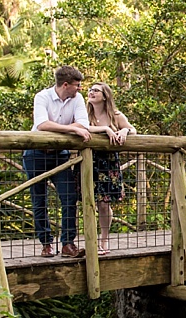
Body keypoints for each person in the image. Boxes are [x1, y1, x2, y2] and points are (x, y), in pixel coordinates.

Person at [23, 65, 91, 258]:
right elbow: (42, 124)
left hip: (60, 154)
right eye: (77, 85)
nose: (80, 89)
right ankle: (46, 243)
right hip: (36, 153)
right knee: (39, 200)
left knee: (69, 196)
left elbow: (83, 123)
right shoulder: (42, 97)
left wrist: (71, 128)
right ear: (66, 84)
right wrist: (73, 129)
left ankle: (68, 243)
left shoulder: (77, 98)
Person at [84, 82, 137, 254]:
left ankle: (104, 239)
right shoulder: (84, 114)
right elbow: (80, 127)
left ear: (105, 95)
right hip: (86, 162)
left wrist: (124, 132)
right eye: (90, 90)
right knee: (88, 203)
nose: (91, 93)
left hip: (108, 164)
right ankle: (89, 240)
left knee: (104, 204)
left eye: (96, 90)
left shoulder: (116, 115)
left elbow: (132, 129)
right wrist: (105, 129)